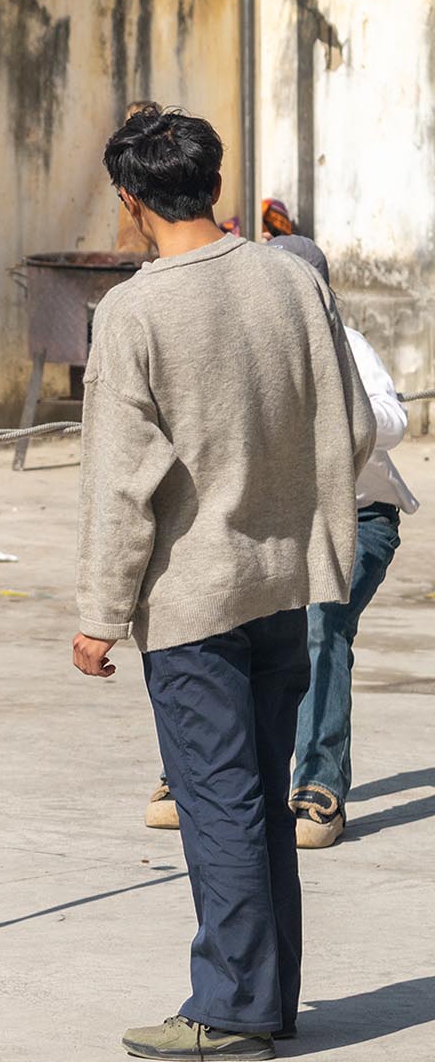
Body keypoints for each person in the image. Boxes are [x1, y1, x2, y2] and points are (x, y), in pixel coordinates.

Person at [73, 106, 374, 1061]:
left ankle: (234, 1010)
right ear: (213, 184)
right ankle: (267, 999)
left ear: (131, 200)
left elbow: (121, 486)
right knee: (258, 801)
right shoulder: (292, 279)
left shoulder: (134, 312)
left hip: (194, 601)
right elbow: (353, 424)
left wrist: (99, 614)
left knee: (219, 807)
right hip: (283, 586)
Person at [146, 236, 416, 851]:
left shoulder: (348, 345)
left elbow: (393, 420)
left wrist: (334, 408)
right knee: (222, 620)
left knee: (322, 624)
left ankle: (318, 786)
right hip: (269, 521)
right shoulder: (234, 342)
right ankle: (199, 776)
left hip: (356, 518)